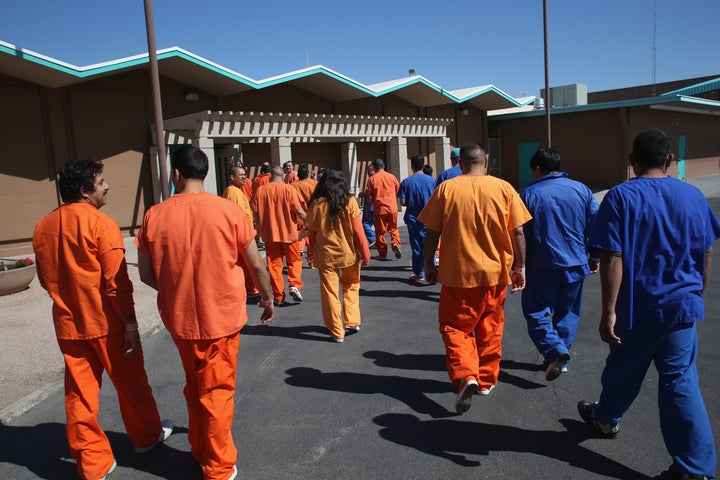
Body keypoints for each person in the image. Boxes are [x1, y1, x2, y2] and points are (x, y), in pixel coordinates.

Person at [578, 130, 719, 480]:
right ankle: (695, 469)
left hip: (638, 308)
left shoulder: (621, 197)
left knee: (623, 372)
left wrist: (608, 310)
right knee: (680, 384)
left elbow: (613, 255)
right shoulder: (693, 195)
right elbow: (706, 249)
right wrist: (698, 291)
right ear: (670, 160)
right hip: (682, 308)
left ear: (632, 161)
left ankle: (607, 417)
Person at [136, 146, 273, 480]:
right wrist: (267, 297)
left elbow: (145, 273)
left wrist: (173, 292)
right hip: (222, 316)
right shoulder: (228, 210)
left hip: (180, 319)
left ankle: (200, 446)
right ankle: (218, 466)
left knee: (195, 385)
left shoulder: (155, 215)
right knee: (217, 392)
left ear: (177, 175)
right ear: (205, 173)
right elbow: (256, 263)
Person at [32, 159, 172, 480]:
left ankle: (93, 463)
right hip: (108, 324)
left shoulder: (42, 227)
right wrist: (130, 324)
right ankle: (146, 437)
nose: (106, 186)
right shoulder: (101, 224)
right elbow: (116, 284)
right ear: (84, 191)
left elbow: (45, 279)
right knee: (132, 383)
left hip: (68, 324)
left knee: (79, 394)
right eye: (101, 182)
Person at [418, 142, 531, 413]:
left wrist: (428, 264)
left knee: (455, 328)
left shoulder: (446, 189)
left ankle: (466, 375)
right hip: (495, 274)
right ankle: (486, 380)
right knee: (490, 328)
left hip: (458, 273)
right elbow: (518, 233)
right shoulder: (504, 188)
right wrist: (520, 268)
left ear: (460, 164)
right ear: (487, 160)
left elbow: (431, 233)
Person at [520, 148, 599, 381]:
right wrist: (594, 256)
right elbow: (595, 224)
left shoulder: (528, 195)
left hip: (541, 265)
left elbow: (520, 234)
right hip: (576, 262)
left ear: (536, 169)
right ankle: (560, 355)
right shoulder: (581, 190)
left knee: (536, 311)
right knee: (568, 312)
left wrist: (519, 265)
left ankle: (555, 351)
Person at [306, 169, 371, 342]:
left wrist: (310, 254)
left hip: (325, 254)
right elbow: (358, 231)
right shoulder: (349, 201)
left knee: (330, 293)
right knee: (351, 285)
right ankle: (352, 320)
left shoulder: (315, 204)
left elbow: (312, 233)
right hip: (348, 253)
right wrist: (365, 253)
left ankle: (337, 331)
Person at [251, 166, 307, 306]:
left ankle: (278, 296)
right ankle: (294, 284)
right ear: (283, 176)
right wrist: (310, 222)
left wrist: (258, 230)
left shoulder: (261, 190)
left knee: (275, 265)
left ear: (270, 177)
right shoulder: (288, 189)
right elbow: (298, 210)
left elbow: (255, 214)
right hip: (289, 233)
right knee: (294, 261)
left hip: (270, 235)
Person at [222, 165, 260, 296]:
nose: (244, 177)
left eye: (245, 174)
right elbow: (239, 215)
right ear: (232, 177)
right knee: (248, 263)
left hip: (242, 233)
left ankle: (250, 287)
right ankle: (249, 288)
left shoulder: (236, 191)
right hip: (241, 235)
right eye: (241, 175)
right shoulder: (234, 192)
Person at [398, 154, 436, 281]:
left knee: (417, 247)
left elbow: (402, 202)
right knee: (431, 245)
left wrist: (412, 201)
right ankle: (432, 271)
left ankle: (419, 272)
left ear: (412, 166)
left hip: (413, 219)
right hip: (430, 218)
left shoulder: (406, 182)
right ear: (423, 164)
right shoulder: (432, 181)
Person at [364, 158, 401, 260]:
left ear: (375, 168)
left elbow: (369, 197)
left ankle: (382, 254)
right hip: (392, 208)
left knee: (380, 232)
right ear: (384, 166)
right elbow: (399, 192)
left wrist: (367, 211)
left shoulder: (372, 179)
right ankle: (395, 243)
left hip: (379, 209)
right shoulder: (392, 177)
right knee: (393, 228)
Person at [291, 164, 318, 267]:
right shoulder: (312, 185)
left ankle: (295, 259)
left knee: (295, 239)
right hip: (308, 216)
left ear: (298, 175)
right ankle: (311, 261)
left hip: (294, 217)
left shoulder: (291, 186)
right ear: (307, 173)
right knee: (311, 240)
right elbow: (315, 202)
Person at [358, 162, 377, 249]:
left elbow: (370, 195)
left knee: (365, 224)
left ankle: (373, 239)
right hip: (376, 206)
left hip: (370, 206)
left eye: (369, 171)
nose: (368, 173)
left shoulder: (371, 180)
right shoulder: (377, 179)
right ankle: (378, 241)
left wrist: (363, 195)